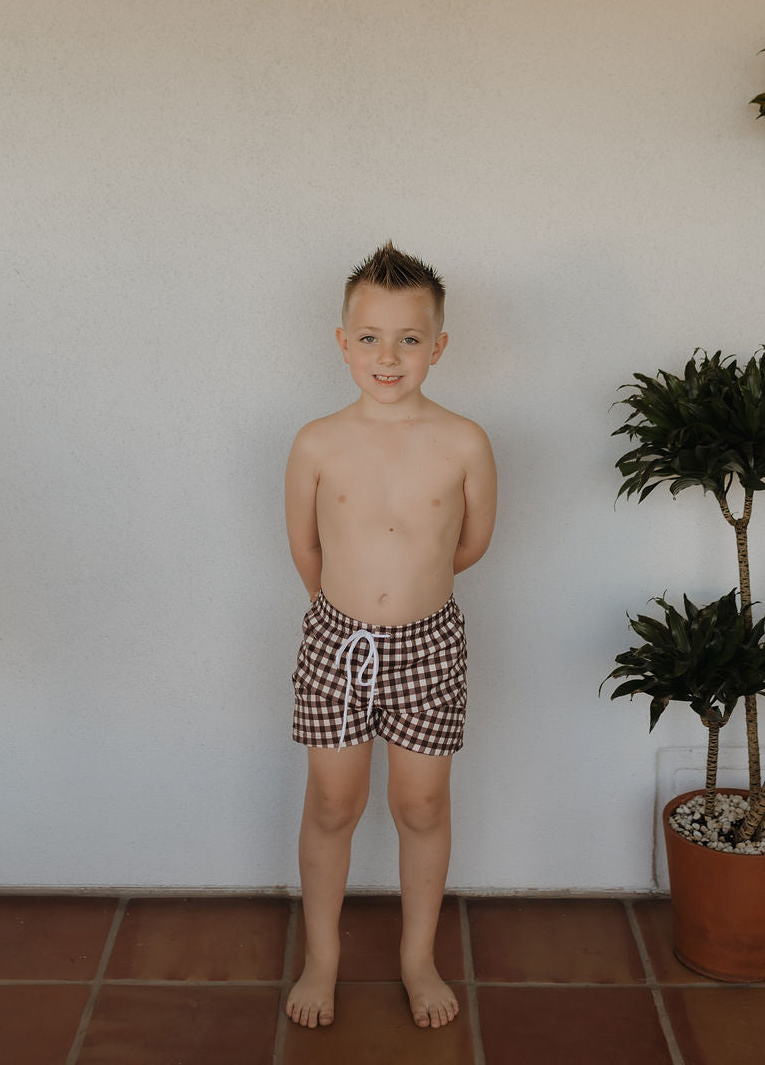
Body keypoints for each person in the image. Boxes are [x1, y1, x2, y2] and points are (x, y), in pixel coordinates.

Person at [284, 242, 496, 1030]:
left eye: (409, 339)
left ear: (437, 347)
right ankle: (323, 957)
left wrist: (409, 600)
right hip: (337, 642)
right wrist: (353, 609)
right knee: (335, 801)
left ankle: (417, 958)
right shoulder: (315, 441)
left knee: (422, 803)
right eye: (369, 337)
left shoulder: (465, 440)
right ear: (342, 343)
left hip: (430, 645)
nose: (388, 355)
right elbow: (307, 550)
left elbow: (468, 545)